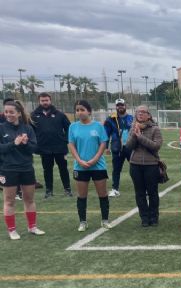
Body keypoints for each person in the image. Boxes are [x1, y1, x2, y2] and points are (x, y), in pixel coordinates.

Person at [0, 100, 45, 240]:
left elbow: (34, 149)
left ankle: (32, 227)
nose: (8, 114)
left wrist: (25, 143)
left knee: (29, 199)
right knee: (9, 201)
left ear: (19, 113)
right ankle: (12, 230)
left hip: (26, 168)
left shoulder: (27, 128)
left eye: (11, 112)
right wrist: (14, 143)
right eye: (6, 112)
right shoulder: (1, 128)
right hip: (8, 169)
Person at [67, 100, 112, 231]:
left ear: (89, 111)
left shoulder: (98, 126)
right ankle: (82, 222)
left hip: (98, 166)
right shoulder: (73, 127)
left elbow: (103, 143)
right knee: (81, 196)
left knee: (102, 194)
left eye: (82, 109)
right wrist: (79, 161)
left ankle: (105, 220)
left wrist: (95, 159)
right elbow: (71, 145)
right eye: (77, 110)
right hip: (80, 166)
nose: (79, 112)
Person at [125, 105, 162, 227]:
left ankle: (154, 217)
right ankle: (144, 218)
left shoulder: (155, 129)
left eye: (143, 112)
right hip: (135, 165)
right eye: (138, 112)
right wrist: (135, 135)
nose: (140, 114)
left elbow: (156, 146)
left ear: (149, 115)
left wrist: (140, 137)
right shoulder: (133, 128)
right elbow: (129, 147)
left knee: (152, 192)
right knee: (139, 193)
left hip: (151, 165)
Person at [31, 92, 73, 198]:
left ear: (50, 101)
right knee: (47, 170)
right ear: (39, 101)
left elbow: (69, 128)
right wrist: (36, 143)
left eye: (46, 100)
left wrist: (66, 140)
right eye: (42, 100)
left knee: (63, 169)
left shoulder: (60, 114)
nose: (45, 102)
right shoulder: (34, 115)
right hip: (44, 148)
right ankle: (49, 191)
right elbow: (31, 131)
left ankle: (67, 189)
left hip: (60, 147)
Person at [104, 99, 133, 197]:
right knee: (116, 169)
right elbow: (106, 134)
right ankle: (115, 189)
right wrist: (106, 147)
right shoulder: (110, 119)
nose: (120, 107)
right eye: (118, 105)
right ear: (116, 107)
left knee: (135, 168)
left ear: (126, 106)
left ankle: (141, 188)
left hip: (130, 147)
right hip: (117, 148)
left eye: (122, 105)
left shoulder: (131, 118)